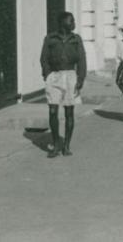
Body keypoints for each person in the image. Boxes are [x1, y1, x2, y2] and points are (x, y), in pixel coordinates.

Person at [40, 11, 87, 158]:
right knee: (53, 111)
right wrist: (47, 75)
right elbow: (44, 59)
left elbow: (82, 60)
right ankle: (56, 144)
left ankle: (66, 146)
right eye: (71, 21)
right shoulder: (50, 38)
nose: (74, 23)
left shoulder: (76, 39)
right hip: (54, 77)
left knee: (69, 112)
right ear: (62, 23)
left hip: (70, 77)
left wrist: (80, 79)